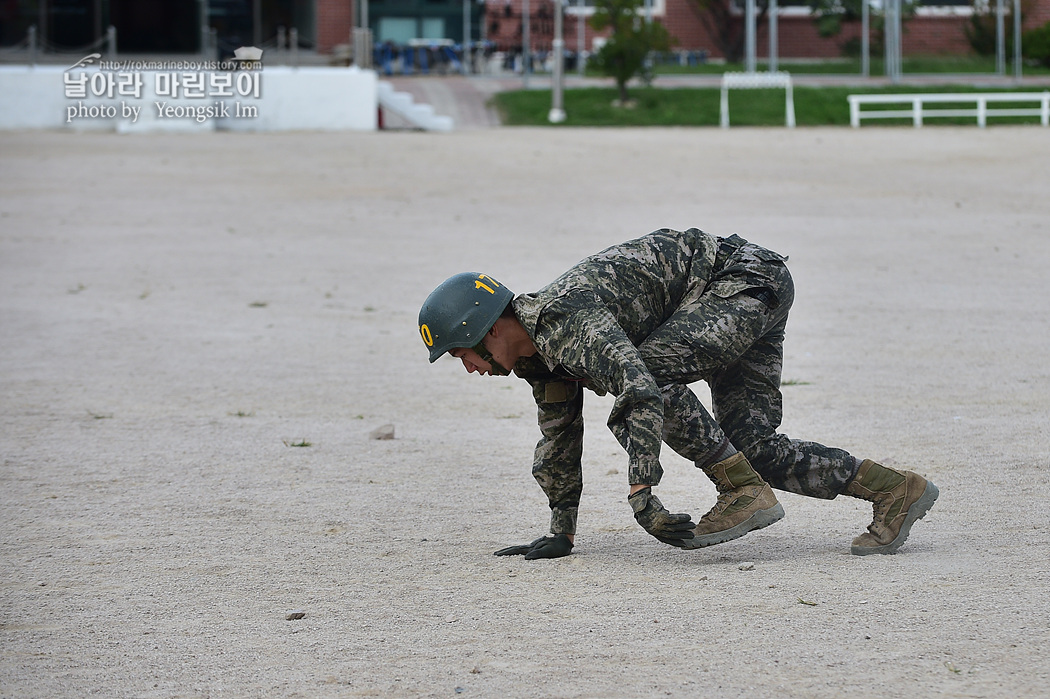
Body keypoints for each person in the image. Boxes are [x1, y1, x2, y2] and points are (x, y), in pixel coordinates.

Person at [418, 228, 938, 560]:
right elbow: (558, 439)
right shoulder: (539, 359)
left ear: (485, 329)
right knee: (750, 446)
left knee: (644, 379)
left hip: (741, 282)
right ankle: (895, 490)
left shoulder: (564, 320)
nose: (466, 367)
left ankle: (740, 492)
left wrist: (642, 494)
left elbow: (641, 391)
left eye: (461, 352)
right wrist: (562, 530)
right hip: (739, 294)